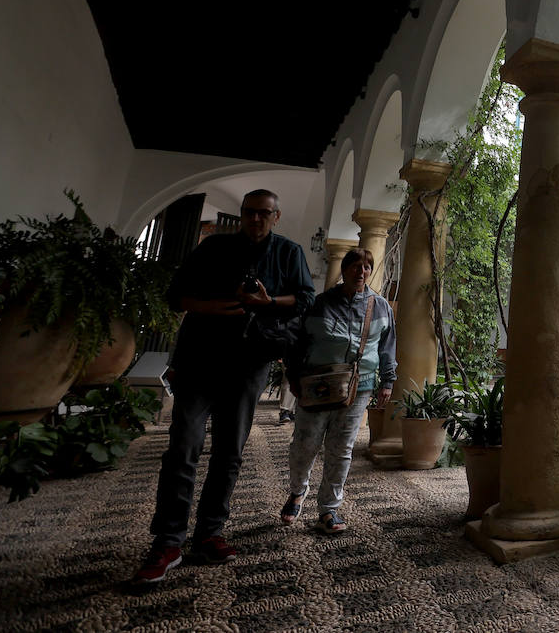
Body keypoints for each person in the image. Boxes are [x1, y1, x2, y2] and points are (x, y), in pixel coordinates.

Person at [132, 189, 315, 585]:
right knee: (183, 447)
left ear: (276, 216)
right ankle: (167, 541)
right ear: (242, 214)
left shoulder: (289, 252)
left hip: (249, 364)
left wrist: (269, 301)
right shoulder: (213, 247)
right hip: (199, 360)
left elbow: (304, 301)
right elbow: (175, 295)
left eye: (264, 214)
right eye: (250, 213)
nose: (256, 220)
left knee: (229, 452)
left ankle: (210, 532)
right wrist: (212, 307)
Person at [282, 246, 396, 534]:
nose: (361, 272)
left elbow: (387, 348)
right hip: (316, 383)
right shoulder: (320, 303)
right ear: (344, 270)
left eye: (367, 267)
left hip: (359, 386)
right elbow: (298, 342)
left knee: (341, 448)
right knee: (305, 444)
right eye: (355, 266)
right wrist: (293, 376)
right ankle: (297, 491)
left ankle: (329, 509)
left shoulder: (380, 306)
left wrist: (387, 382)